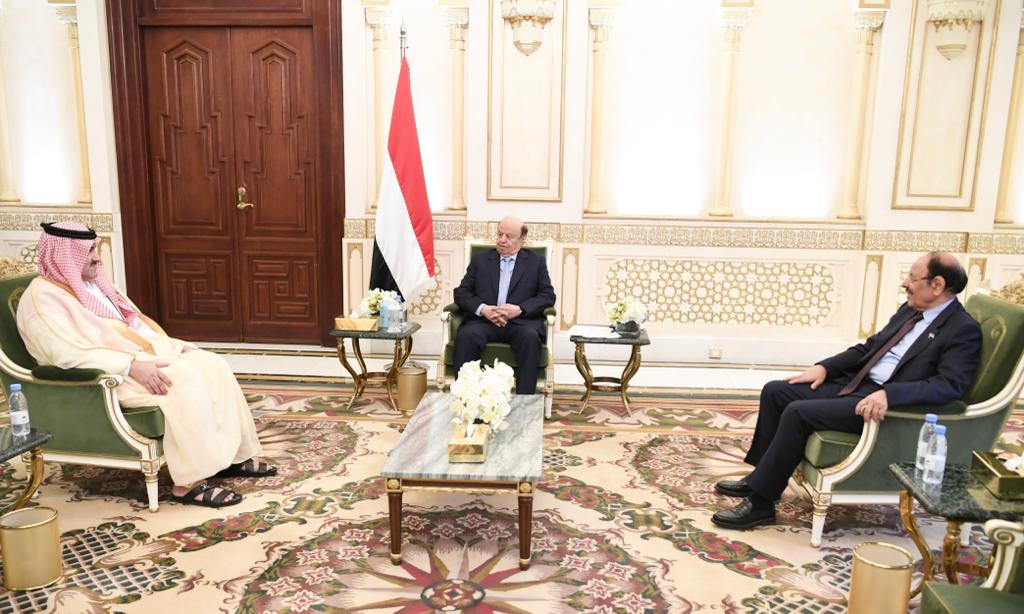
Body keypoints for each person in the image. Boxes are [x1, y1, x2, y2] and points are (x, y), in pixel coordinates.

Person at [712, 252, 982, 530]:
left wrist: (891, 394)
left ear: (937, 285)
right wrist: (824, 368)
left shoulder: (962, 329)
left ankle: (761, 503)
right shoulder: (910, 311)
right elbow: (869, 347)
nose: (905, 283)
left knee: (798, 413)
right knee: (776, 391)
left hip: (880, 406)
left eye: (912, 278)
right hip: (858, 384)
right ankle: (761, 476)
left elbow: (949, 385)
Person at [17, 222, 276, 508]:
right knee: (184, 379)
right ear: (65, 254)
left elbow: (132, 325)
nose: (97, 258)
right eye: (88, 251)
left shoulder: (91, 284)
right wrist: (131, 366)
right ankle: (188, 483)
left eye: (94, 249)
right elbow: (65, 354)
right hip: (101, 378)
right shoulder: (42, 298)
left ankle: (229, 459)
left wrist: (173, 345)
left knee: (212, 363)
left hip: (134, 360)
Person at [453, 216, 556, 394]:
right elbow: (461, 293)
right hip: (484, 321)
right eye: (500, 234)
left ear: (522, 239)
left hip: (520, 323)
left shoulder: (535, 262)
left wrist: (520, 309)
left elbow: (547, 296)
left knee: (530, 339)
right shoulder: (481, 259)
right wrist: (483, 309)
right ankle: (465, 398)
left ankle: (525, 402)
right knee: (466, 336)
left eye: (509, 236)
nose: (502, 240)